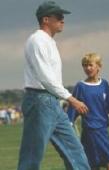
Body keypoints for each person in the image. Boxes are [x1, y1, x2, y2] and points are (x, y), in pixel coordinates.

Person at [17, 1, 91, 170]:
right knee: (31, 157)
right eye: (58, 17)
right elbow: (45, 78)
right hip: (39, 101)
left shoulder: (49, 42)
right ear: (45, 20)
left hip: (52, 103)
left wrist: (62, 98)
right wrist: (71, 99)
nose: (62, 20)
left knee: (75, 150)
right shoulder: (37, 40)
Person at [67, 53, 109, 170]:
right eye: (84, 65)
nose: (87, 68)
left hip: (103, 131)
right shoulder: (80, 86)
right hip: (90, 132)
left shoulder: (104, 84)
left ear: (98, 66)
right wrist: (68, 126)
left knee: (101, 165)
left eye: (90, 65)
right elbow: (72, 110)